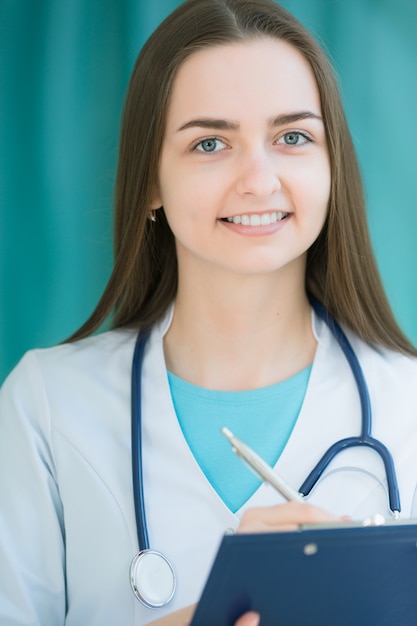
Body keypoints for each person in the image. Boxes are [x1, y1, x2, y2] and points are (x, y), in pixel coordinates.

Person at [1, 0, 417, 624]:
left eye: (293, 137)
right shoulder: (47, 407)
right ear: (149, 182)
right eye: (210, 142)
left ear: (333, 169)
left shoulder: (408, 403)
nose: (258, 178)